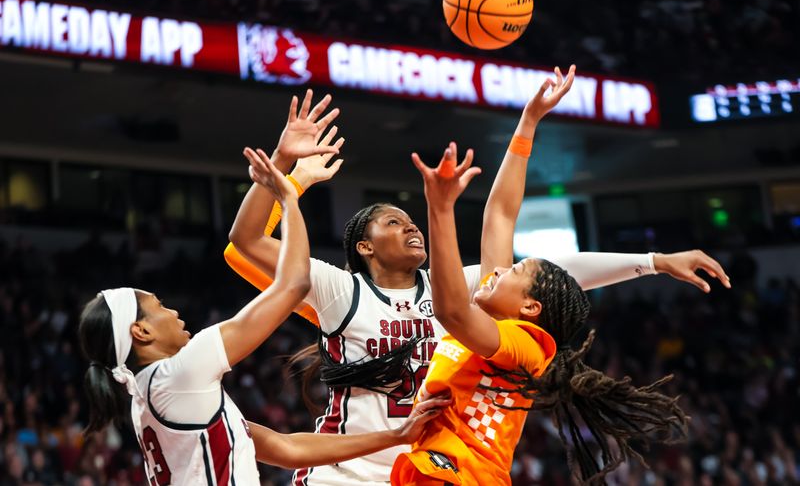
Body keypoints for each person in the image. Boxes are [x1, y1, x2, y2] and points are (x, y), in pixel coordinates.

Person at [226, 86, 730, 485]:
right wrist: (285, 170)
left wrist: (653, 261)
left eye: (413, 219)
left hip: (424, 467)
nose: (411, 226)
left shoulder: (466, 289)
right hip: (345, 471)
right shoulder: (339, 289)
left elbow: (547, 270)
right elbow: (247, 240)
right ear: (364, 247)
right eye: (393, 223)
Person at [78, 147, 449, 485]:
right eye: (159, 307)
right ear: (140, 331)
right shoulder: (182, 373)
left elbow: (286, 450)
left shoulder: (156, 394)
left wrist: (398, 436)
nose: (174, 312)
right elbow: (291, 282)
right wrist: (290, 196)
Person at [393, 140, 692, 485]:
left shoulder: (528, 345)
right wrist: (529, 122)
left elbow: (451, 311)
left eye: (514, 272)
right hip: (440, 469)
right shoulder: (496, 320)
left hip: (465, 477)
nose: (500, 271)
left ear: (530, 307)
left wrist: (441, 210)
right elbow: (500, 217)